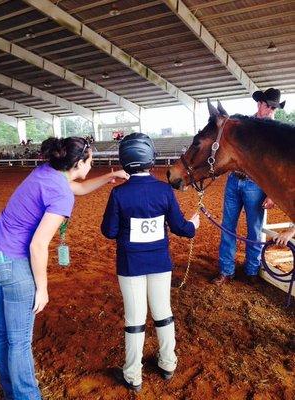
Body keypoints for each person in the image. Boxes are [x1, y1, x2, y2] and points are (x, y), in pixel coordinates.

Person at [0, 136, 128, 400]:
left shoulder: (46, 172)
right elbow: (38, 245)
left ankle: (11, 391)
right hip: (16, 265)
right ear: (79, 163)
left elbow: (73, 187)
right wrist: (42, 288)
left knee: (1, 335)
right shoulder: (60, 194)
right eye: (91, 160)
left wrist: (109, 177)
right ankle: (26, 397)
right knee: (20, 341)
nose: (92, 165)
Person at [101, 132, 200, 392]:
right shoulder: (164, 191)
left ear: (125, 161)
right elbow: (181, 228)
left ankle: (133, 375)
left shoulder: (119, 194)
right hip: (160, 263)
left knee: (134, 318)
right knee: (163, 313)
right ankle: (168, 363)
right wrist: (194, 225)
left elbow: (109, 231)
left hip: (130, 265)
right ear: (150, 159)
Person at [213, 88, 286, 285]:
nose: (271, 111)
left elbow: (276, 166)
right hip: (233, 181)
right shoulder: (243, 126)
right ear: (260, 104)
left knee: (254, 229)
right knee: (228, 226)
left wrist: (271, 194)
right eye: (269, 106)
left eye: (274, 108)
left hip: (256, 186)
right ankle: (226, 270)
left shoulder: (275, 133)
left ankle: (252, 269)